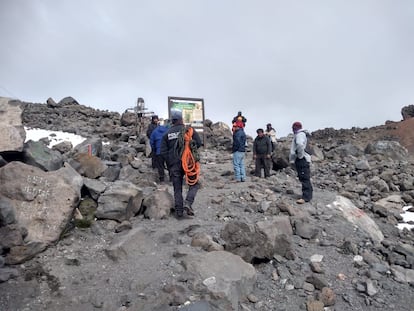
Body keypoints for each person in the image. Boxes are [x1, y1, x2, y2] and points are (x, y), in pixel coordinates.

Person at [160, 110, 202, 219]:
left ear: (172, 121)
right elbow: (198, 142)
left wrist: (170, 162)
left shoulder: (166, 134)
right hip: (188, 163)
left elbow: (163, 152)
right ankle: (188, 202)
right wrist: (190, 151)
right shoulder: (189, 130)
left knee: (177, 188)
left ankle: (179, 212)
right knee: (194, 184)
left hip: (174, 164)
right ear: (181, 119)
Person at [289, 121, 313, 204]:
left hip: (302, 159)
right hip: (304, 159)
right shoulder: (302, 134)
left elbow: (299, 144)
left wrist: (300, 156)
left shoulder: (299, 135)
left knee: (304, 177)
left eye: (293, 128)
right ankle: (308, 195)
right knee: (304, 177)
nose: (293, 129)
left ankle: (306, 197)